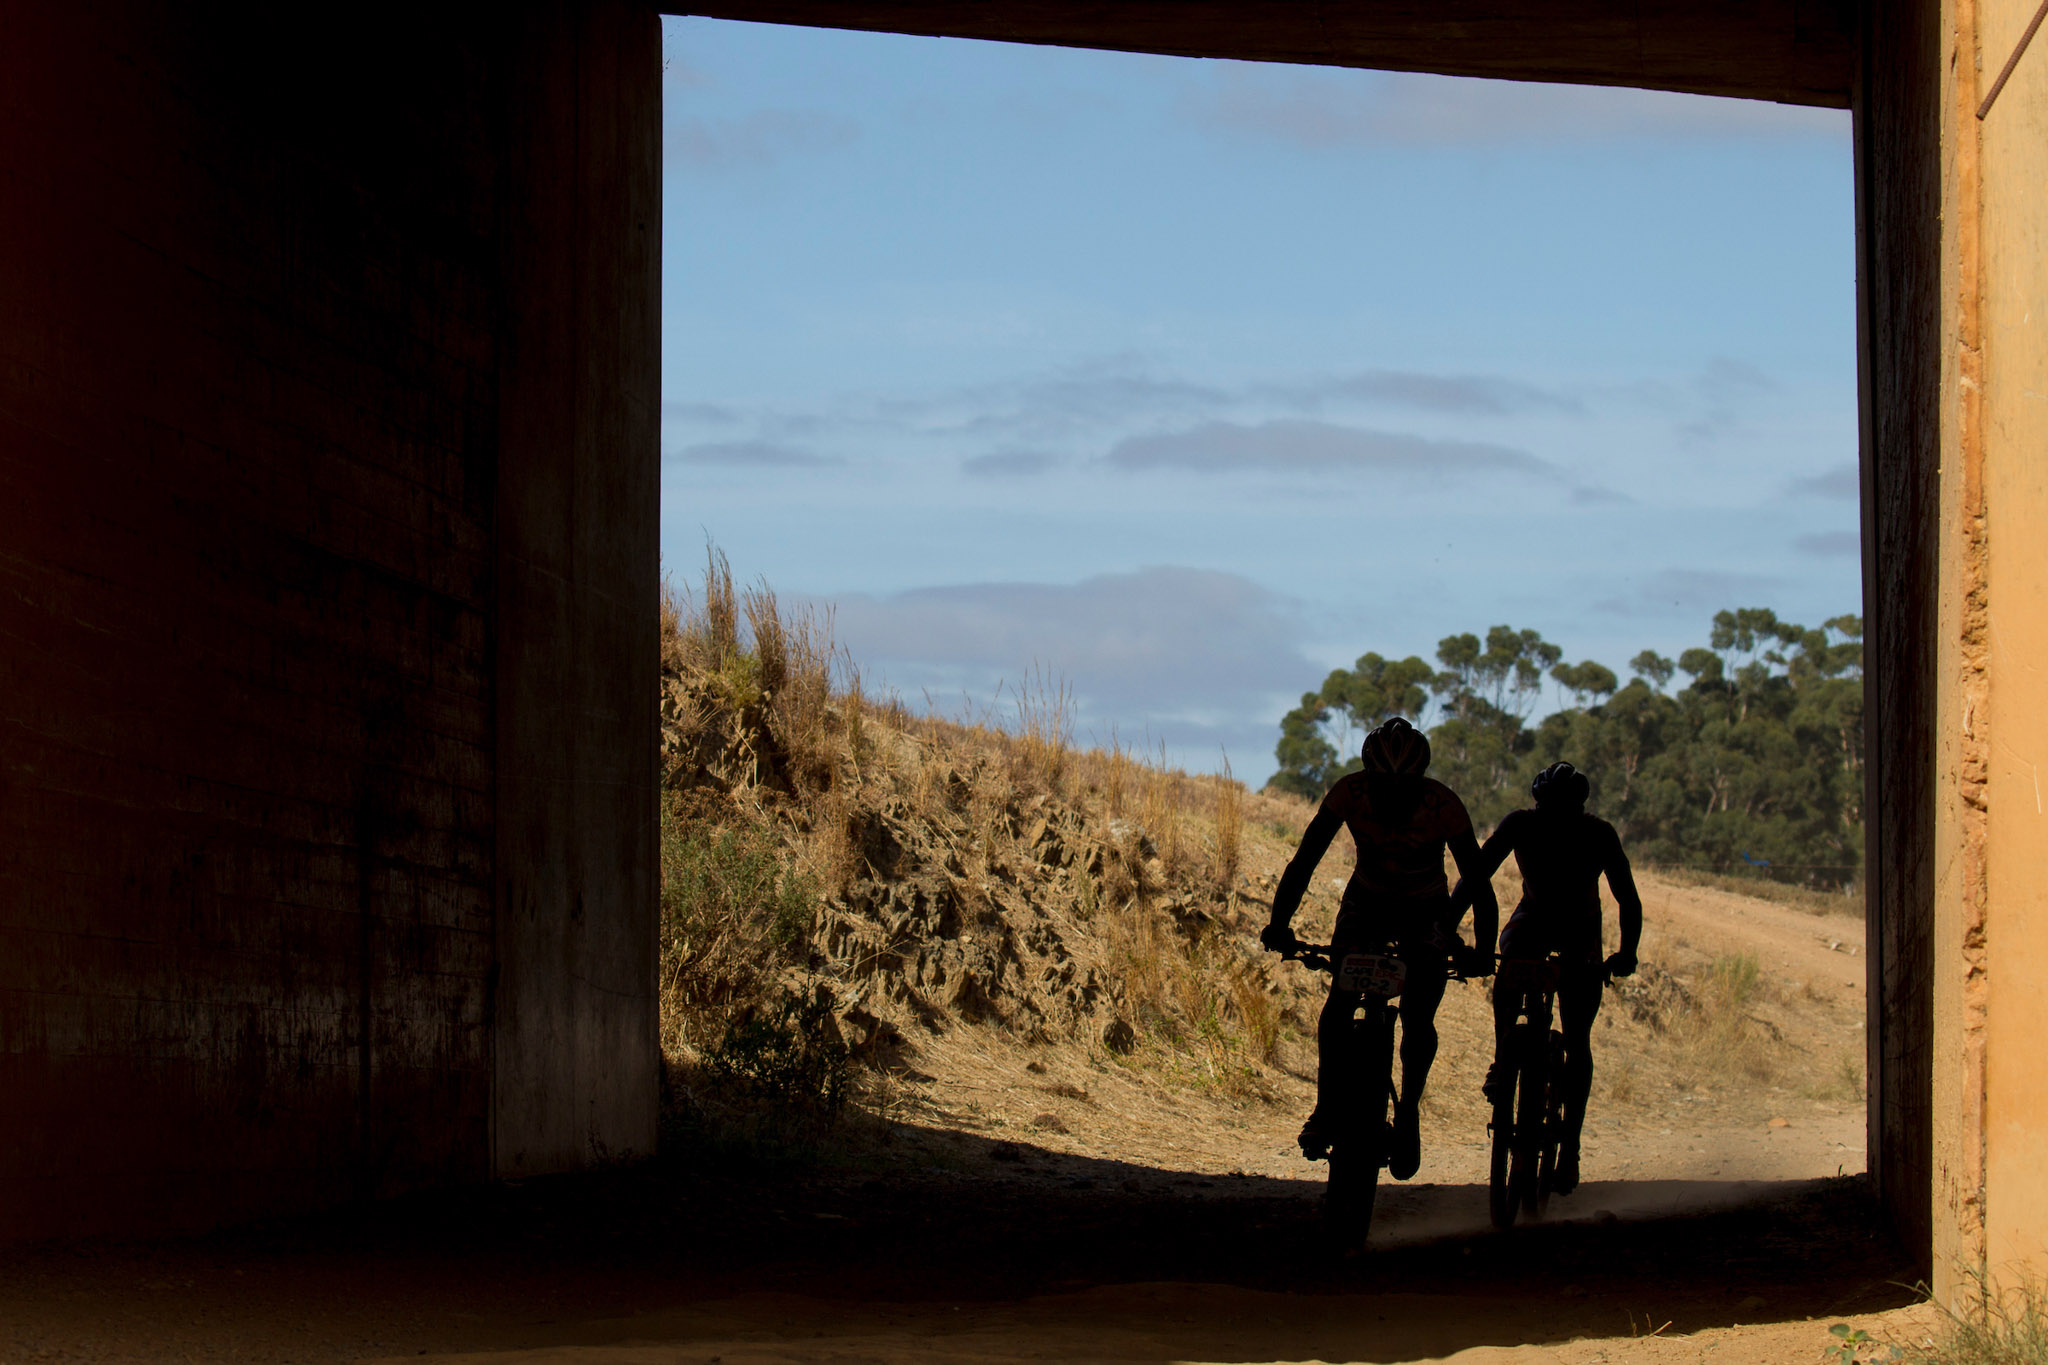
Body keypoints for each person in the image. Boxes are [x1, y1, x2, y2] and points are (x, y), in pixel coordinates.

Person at [1260, 717, 1497, 1180]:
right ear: (1367, 777)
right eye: (1381, 785)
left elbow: (1478, 885)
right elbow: (1304, 860)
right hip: (1366, 902)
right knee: (1339, 1003)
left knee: (1418, 1015)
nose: (1390, 795)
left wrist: (1484, 949)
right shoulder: (1350, 793)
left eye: (1402, 788)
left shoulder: (1443, 803)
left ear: (1420, 781)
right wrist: (1278, 924)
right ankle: (1326, 1108)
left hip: (1425, 912)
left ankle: (1407, 1112)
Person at [1449, 760, 1642, 1196]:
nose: (1553, 814)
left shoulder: (1562, 828)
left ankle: (1567, 1145)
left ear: (1576, 806)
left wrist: (1448, 925)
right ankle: (1506, 1061)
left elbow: (1627, 897)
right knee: (1520, 968)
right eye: (1547, 807)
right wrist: (1625, 954)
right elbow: (1477, 876)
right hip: (1550, 924)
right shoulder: (1578, 829)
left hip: (1563, 928)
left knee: (1576, 1037)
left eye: (1561, 807)